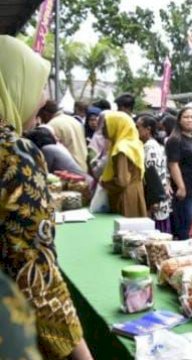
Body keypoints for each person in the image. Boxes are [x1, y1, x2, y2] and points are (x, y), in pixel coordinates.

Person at [0, 34, 92, 359]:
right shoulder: (14, 153)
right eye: (37, 87)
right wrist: (80, 353)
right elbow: (35, 274)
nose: (41, 101)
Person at [167, 107, 192, 241]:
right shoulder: (175, 140)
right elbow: (173, 164)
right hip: (186, 191)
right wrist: (181, 186)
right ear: (179, 120)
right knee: (185, 227)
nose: (190, 120)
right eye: (186, 117)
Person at [100, 111, 147, 218]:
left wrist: (105, 184)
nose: (103, 129)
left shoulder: (121, 149)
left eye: (106, 125)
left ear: (117, 125)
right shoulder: (134, 142)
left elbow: (122, 181)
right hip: (136, 192)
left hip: (125, 197)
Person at [137, 113, 173, 233]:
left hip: (155, 199)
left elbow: (153, 176)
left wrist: (155, 200)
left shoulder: (149, 148)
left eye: (138, 128)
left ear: (148, 129)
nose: (136, 131)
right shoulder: (155, 145)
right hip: (160, 196)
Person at [24, 126, 93, 184]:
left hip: (80, 184)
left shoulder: (47, 149)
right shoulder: (56, 147)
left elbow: (43, 172)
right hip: (82, 181)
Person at [38, 100, 89, 173]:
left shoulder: (51, 126)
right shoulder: (73, 120)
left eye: (40, 117)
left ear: (45, 114)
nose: (41, 120)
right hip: (83, 166)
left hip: (69, 172)